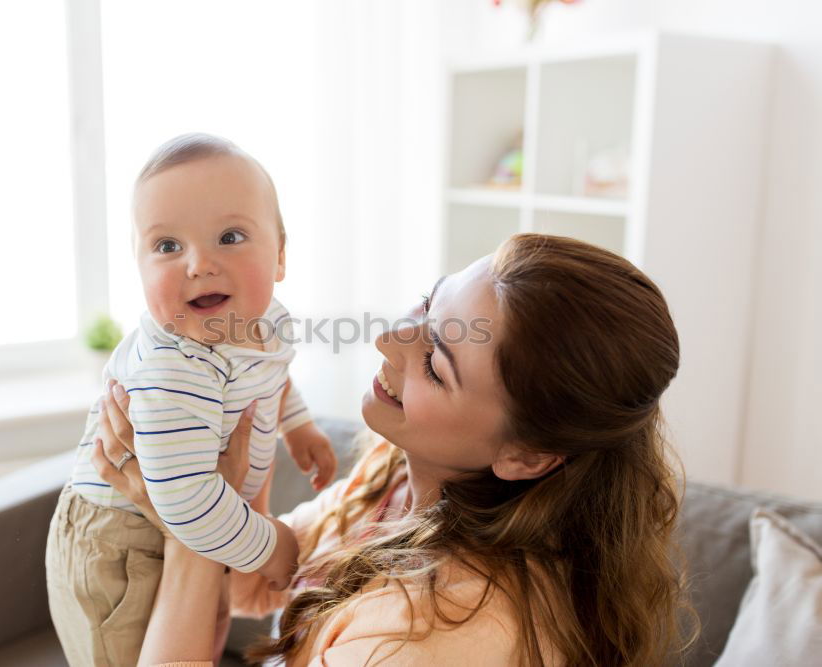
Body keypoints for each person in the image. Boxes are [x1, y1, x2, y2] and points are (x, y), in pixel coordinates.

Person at [93, 233, 697, 666]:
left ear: (527, 456)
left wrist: (188, 523)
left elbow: (232, 574)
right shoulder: (401, 480)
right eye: (433, 304)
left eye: (436, 362)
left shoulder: (433, 636)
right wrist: (204, 480)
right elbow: (266, 581)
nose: (387, 337)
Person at [45, 133, 338, 666]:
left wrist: (298, 427)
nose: (199, 263)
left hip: (211, 522)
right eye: (167, 246)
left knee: (204, 631)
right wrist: (273, 547)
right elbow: (182, 501)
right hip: (123, 543)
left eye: (230, 236)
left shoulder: (265, 323)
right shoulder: (177, 365)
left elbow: (271, 377)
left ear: (280, 256)